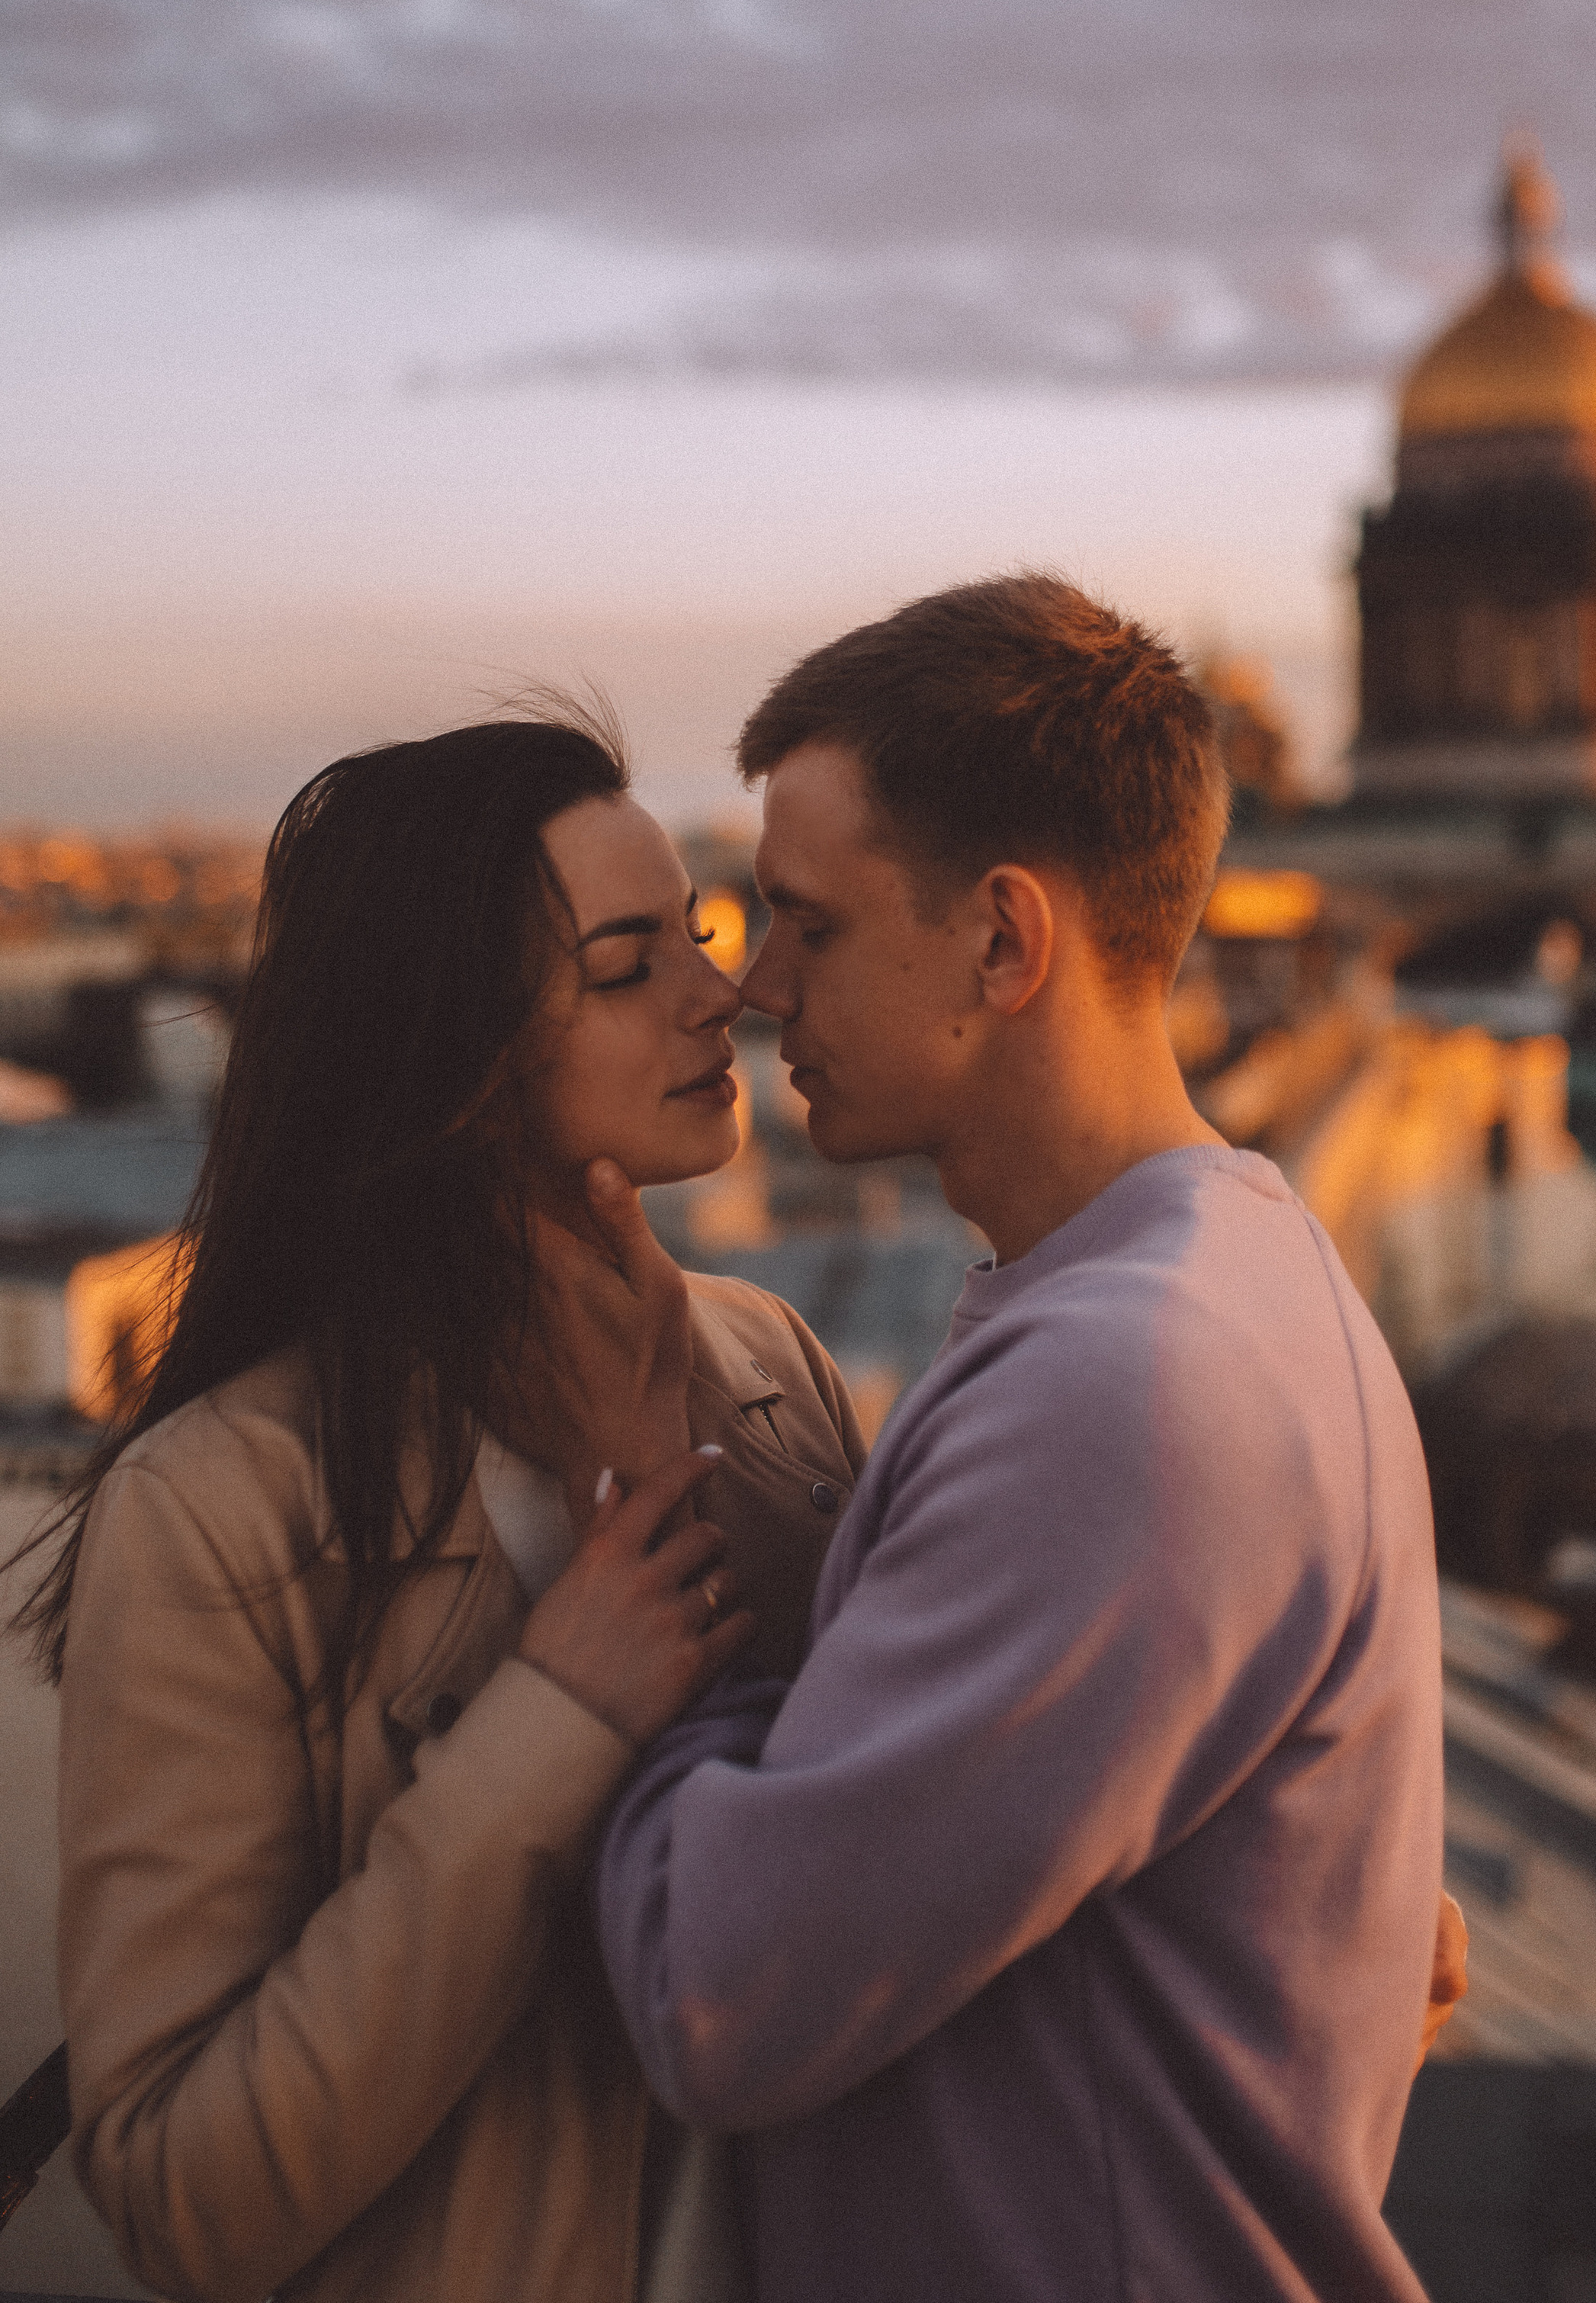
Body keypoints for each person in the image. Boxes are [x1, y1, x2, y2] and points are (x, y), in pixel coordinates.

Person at [576, 576, 1447, 2303]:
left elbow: (712, 1989)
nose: (757, 990)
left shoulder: (1125, 1396)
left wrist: (649, 1628)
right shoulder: (1226, 1280)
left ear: (1000, 941)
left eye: (807, 926)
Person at [14, 711, 865, 2303]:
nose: (723, 994)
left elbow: (908, 1849)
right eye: (627, 967)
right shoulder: (219, 1513)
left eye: (697, 933)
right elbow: (183, 2197)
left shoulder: (770, 1374)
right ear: (455, 1057)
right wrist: (555, 1717)